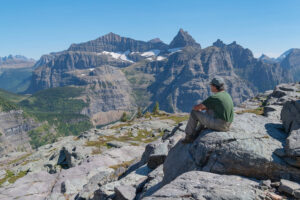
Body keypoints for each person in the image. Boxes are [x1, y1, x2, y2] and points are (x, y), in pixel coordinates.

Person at [182, 76, 234, 143]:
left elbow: (196, 108)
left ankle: (188, 137)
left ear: (215, 87)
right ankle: (199, 129)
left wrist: (198, 110)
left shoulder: (215, 97)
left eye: (211, 85)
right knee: (209, 109)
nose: (210, 87)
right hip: (228, 125)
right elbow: (208, 107)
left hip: (220, 125)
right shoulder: (227, 95)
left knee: (194, 113)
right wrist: (205, 108)